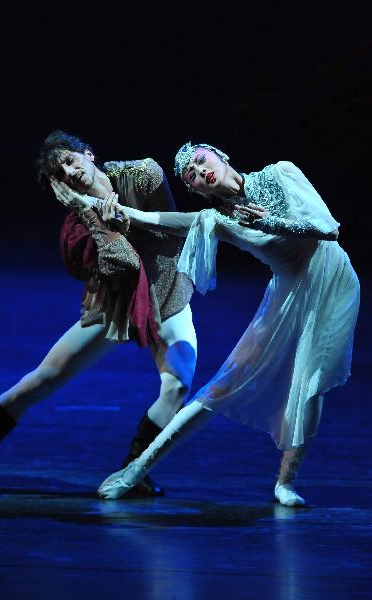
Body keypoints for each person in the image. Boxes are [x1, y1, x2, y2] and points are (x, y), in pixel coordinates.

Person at [75, 141, 359, 507]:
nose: (199, 171)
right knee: (224, 383)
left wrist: (269, 221)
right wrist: (103, 207)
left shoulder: (281, 173)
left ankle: (286, 481)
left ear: (221, 156)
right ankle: (136, 469)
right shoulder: (218, 221)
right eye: (191, 176)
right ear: (197, 190)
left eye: (200, 161)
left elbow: (329, 230)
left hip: (335, 283)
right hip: (289, 295)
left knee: (311, 381)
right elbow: (164, 221)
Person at [0, 131, 197, 497]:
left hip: (167, 296)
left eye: (71, 161)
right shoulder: (76, 229)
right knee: (42, 379)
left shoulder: (143, 175)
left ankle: (133, 471)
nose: (71, 172)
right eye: (61, 174)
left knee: (177, 383)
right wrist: (89, 211)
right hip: (115, 305)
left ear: (88, 154)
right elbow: (125, 264)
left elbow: (171, 235)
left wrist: (119, 216)